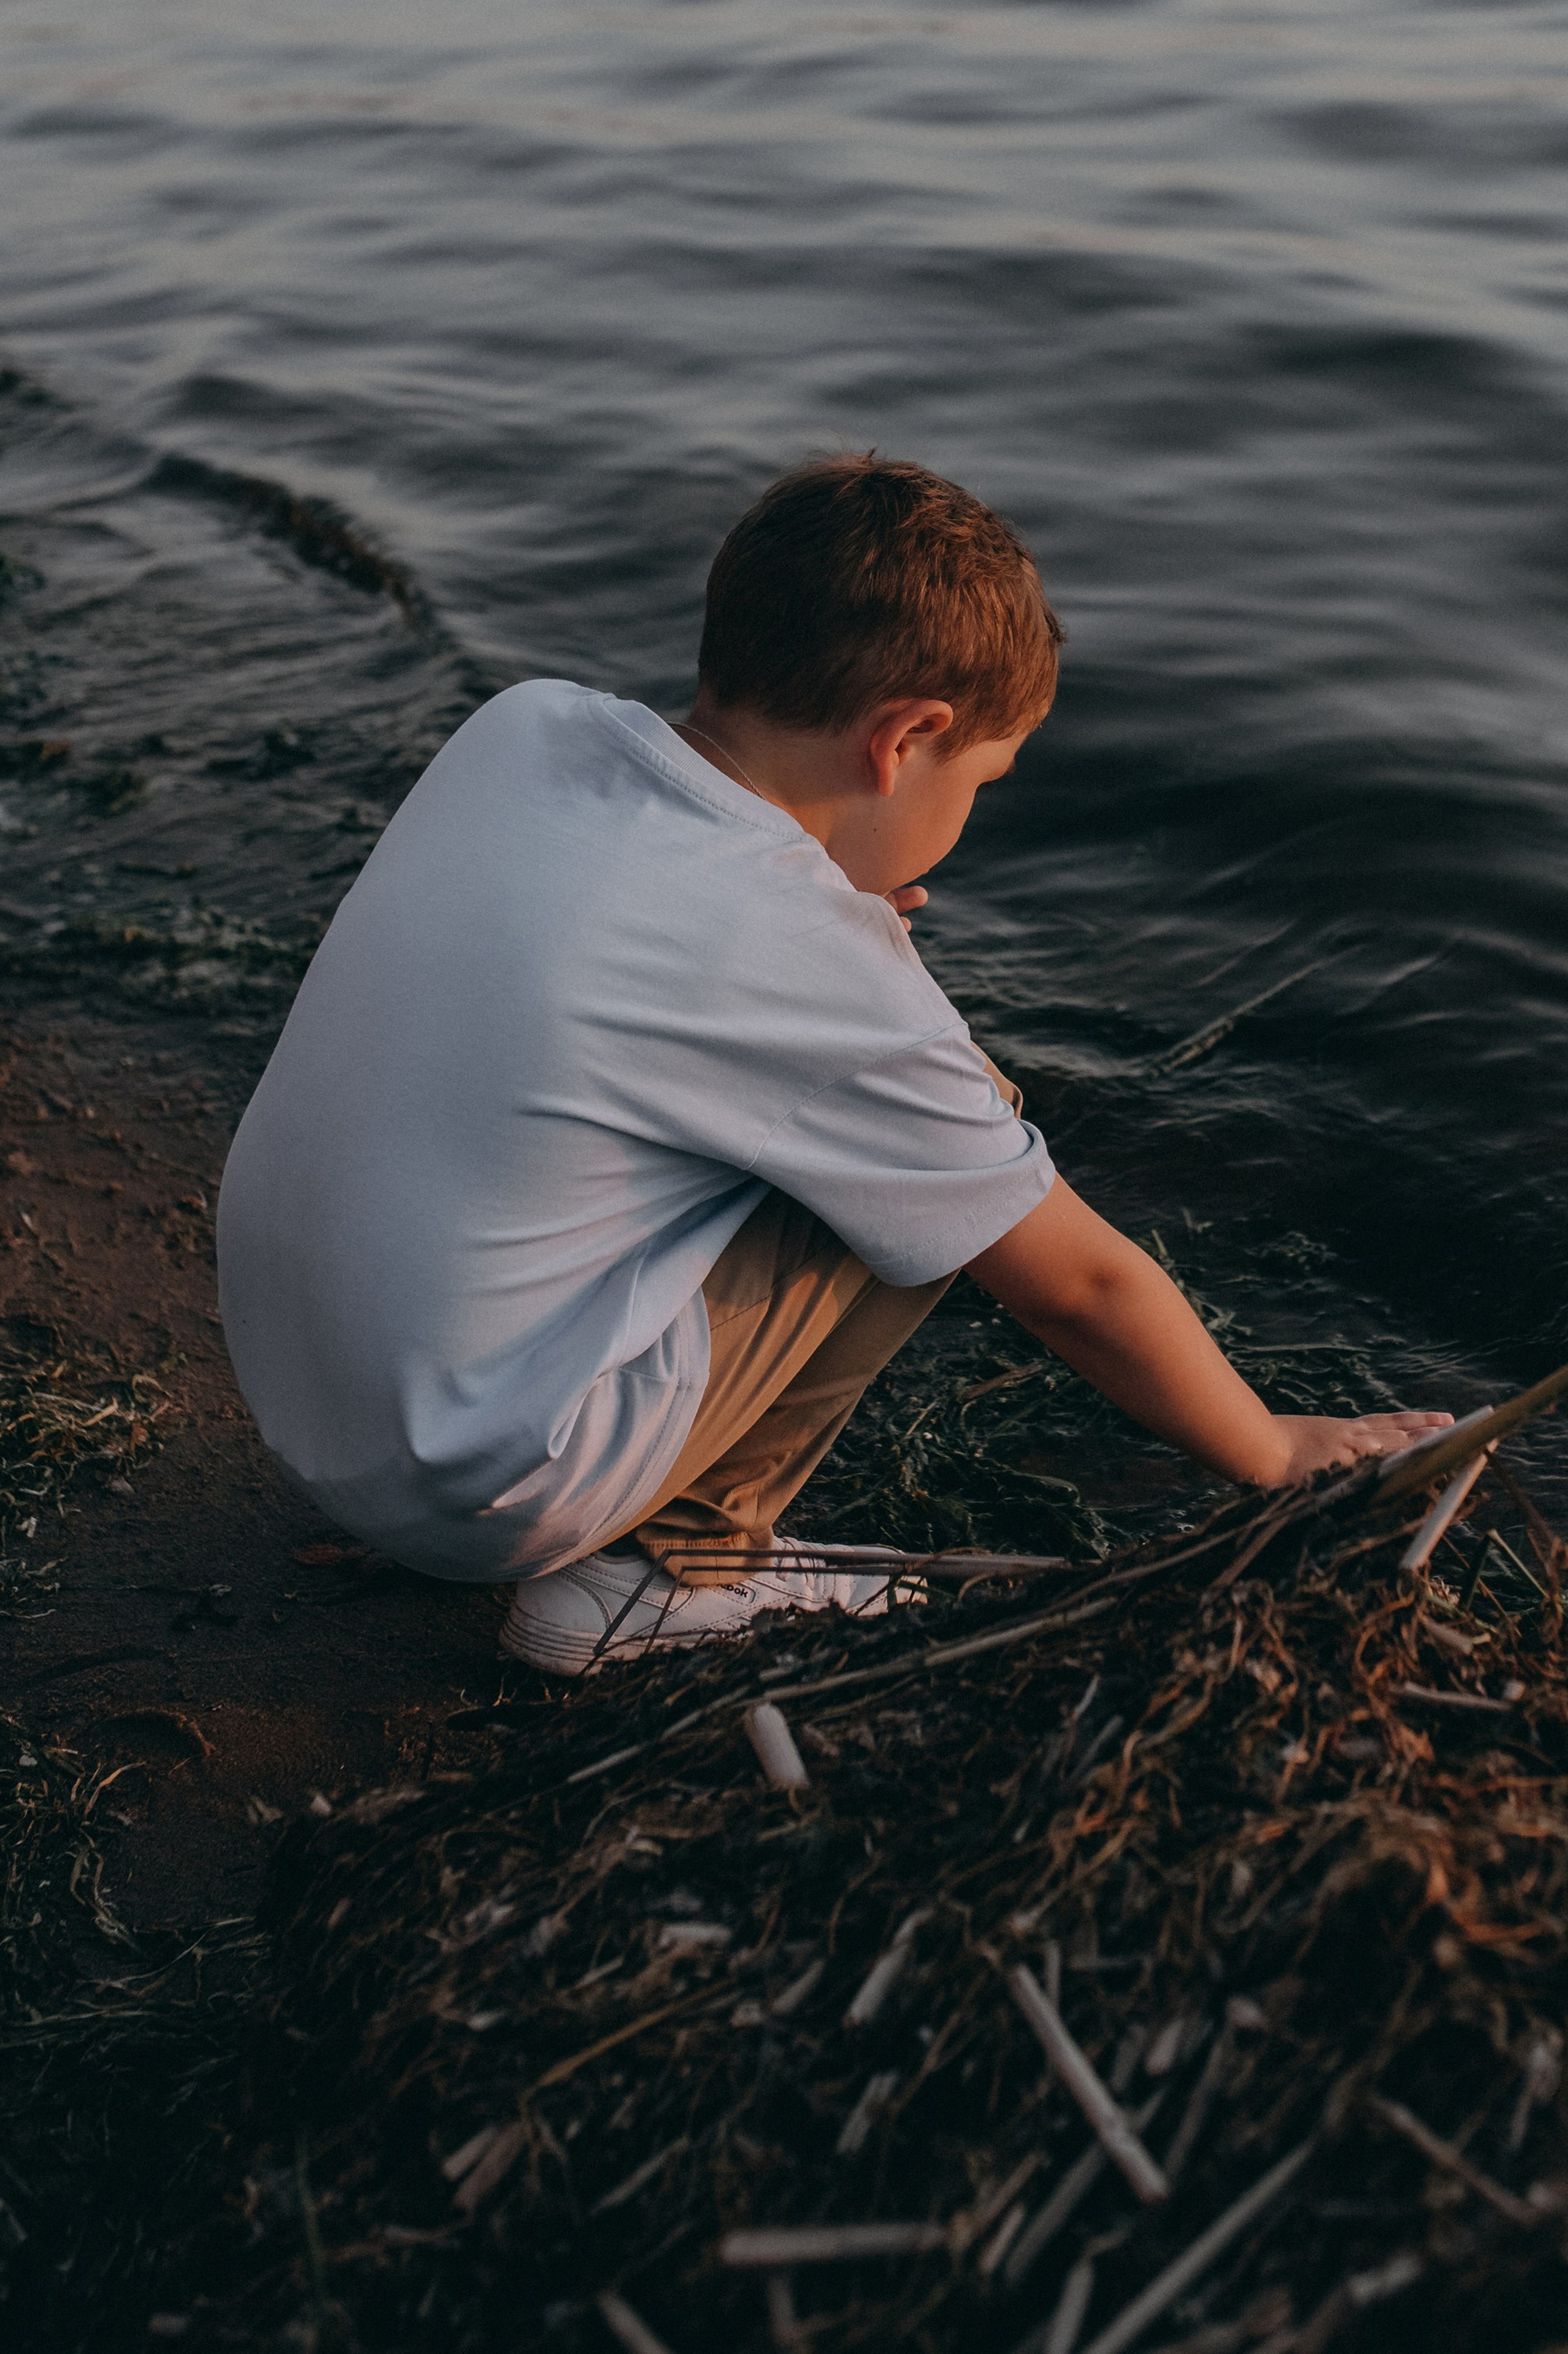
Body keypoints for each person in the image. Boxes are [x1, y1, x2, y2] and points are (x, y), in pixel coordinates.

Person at [217, 455, 1448, 1675]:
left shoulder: (528, 723)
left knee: (847, 1120)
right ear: (907, 737)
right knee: (961, 1127)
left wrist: (827, 935)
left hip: (294, 1385)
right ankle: (666, 1576)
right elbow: (1077, 1287)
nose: (971, 814)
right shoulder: (797, 957)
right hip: (470, 1486)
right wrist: (1272, 1450)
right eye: (982, 779)